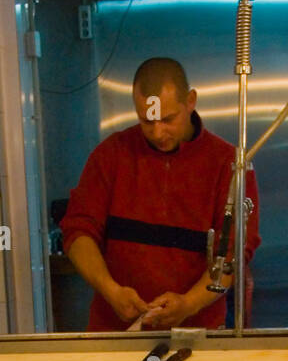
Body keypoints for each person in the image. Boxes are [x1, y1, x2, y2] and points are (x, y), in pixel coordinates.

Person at [61, 56, 260, 331]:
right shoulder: (111, 154)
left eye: (168, 119)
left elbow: (234, 252)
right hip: (115, 331)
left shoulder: (229, 164)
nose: (157, 132)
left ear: (190, 101)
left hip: (196, 335)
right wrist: (110, 290)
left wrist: (189, 304)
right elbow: (77, 231)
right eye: (146, 121)